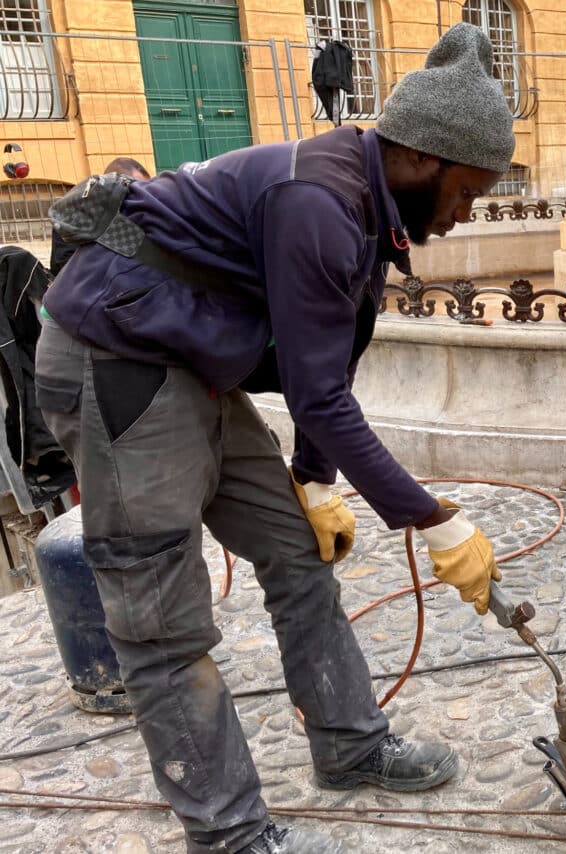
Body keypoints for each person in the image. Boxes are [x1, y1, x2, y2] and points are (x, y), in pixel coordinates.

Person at [34, 24, 513, 854]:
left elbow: (327, 354)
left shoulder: (364, 206)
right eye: (467, 191)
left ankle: (350, 744)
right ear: (422, 160)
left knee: (299, 552)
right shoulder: (318, 203)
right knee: (162, 625)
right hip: (117, 360)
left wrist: (315, 482)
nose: (466, 213)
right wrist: (435, 519)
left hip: (190, 357)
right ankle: (228, 835)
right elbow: (320, 395)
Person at [49, 157, 150, 277]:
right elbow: (66, 265)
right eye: (135, 189)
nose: (141, 197)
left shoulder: (139, 214)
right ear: (114, 185)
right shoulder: (75, 216)